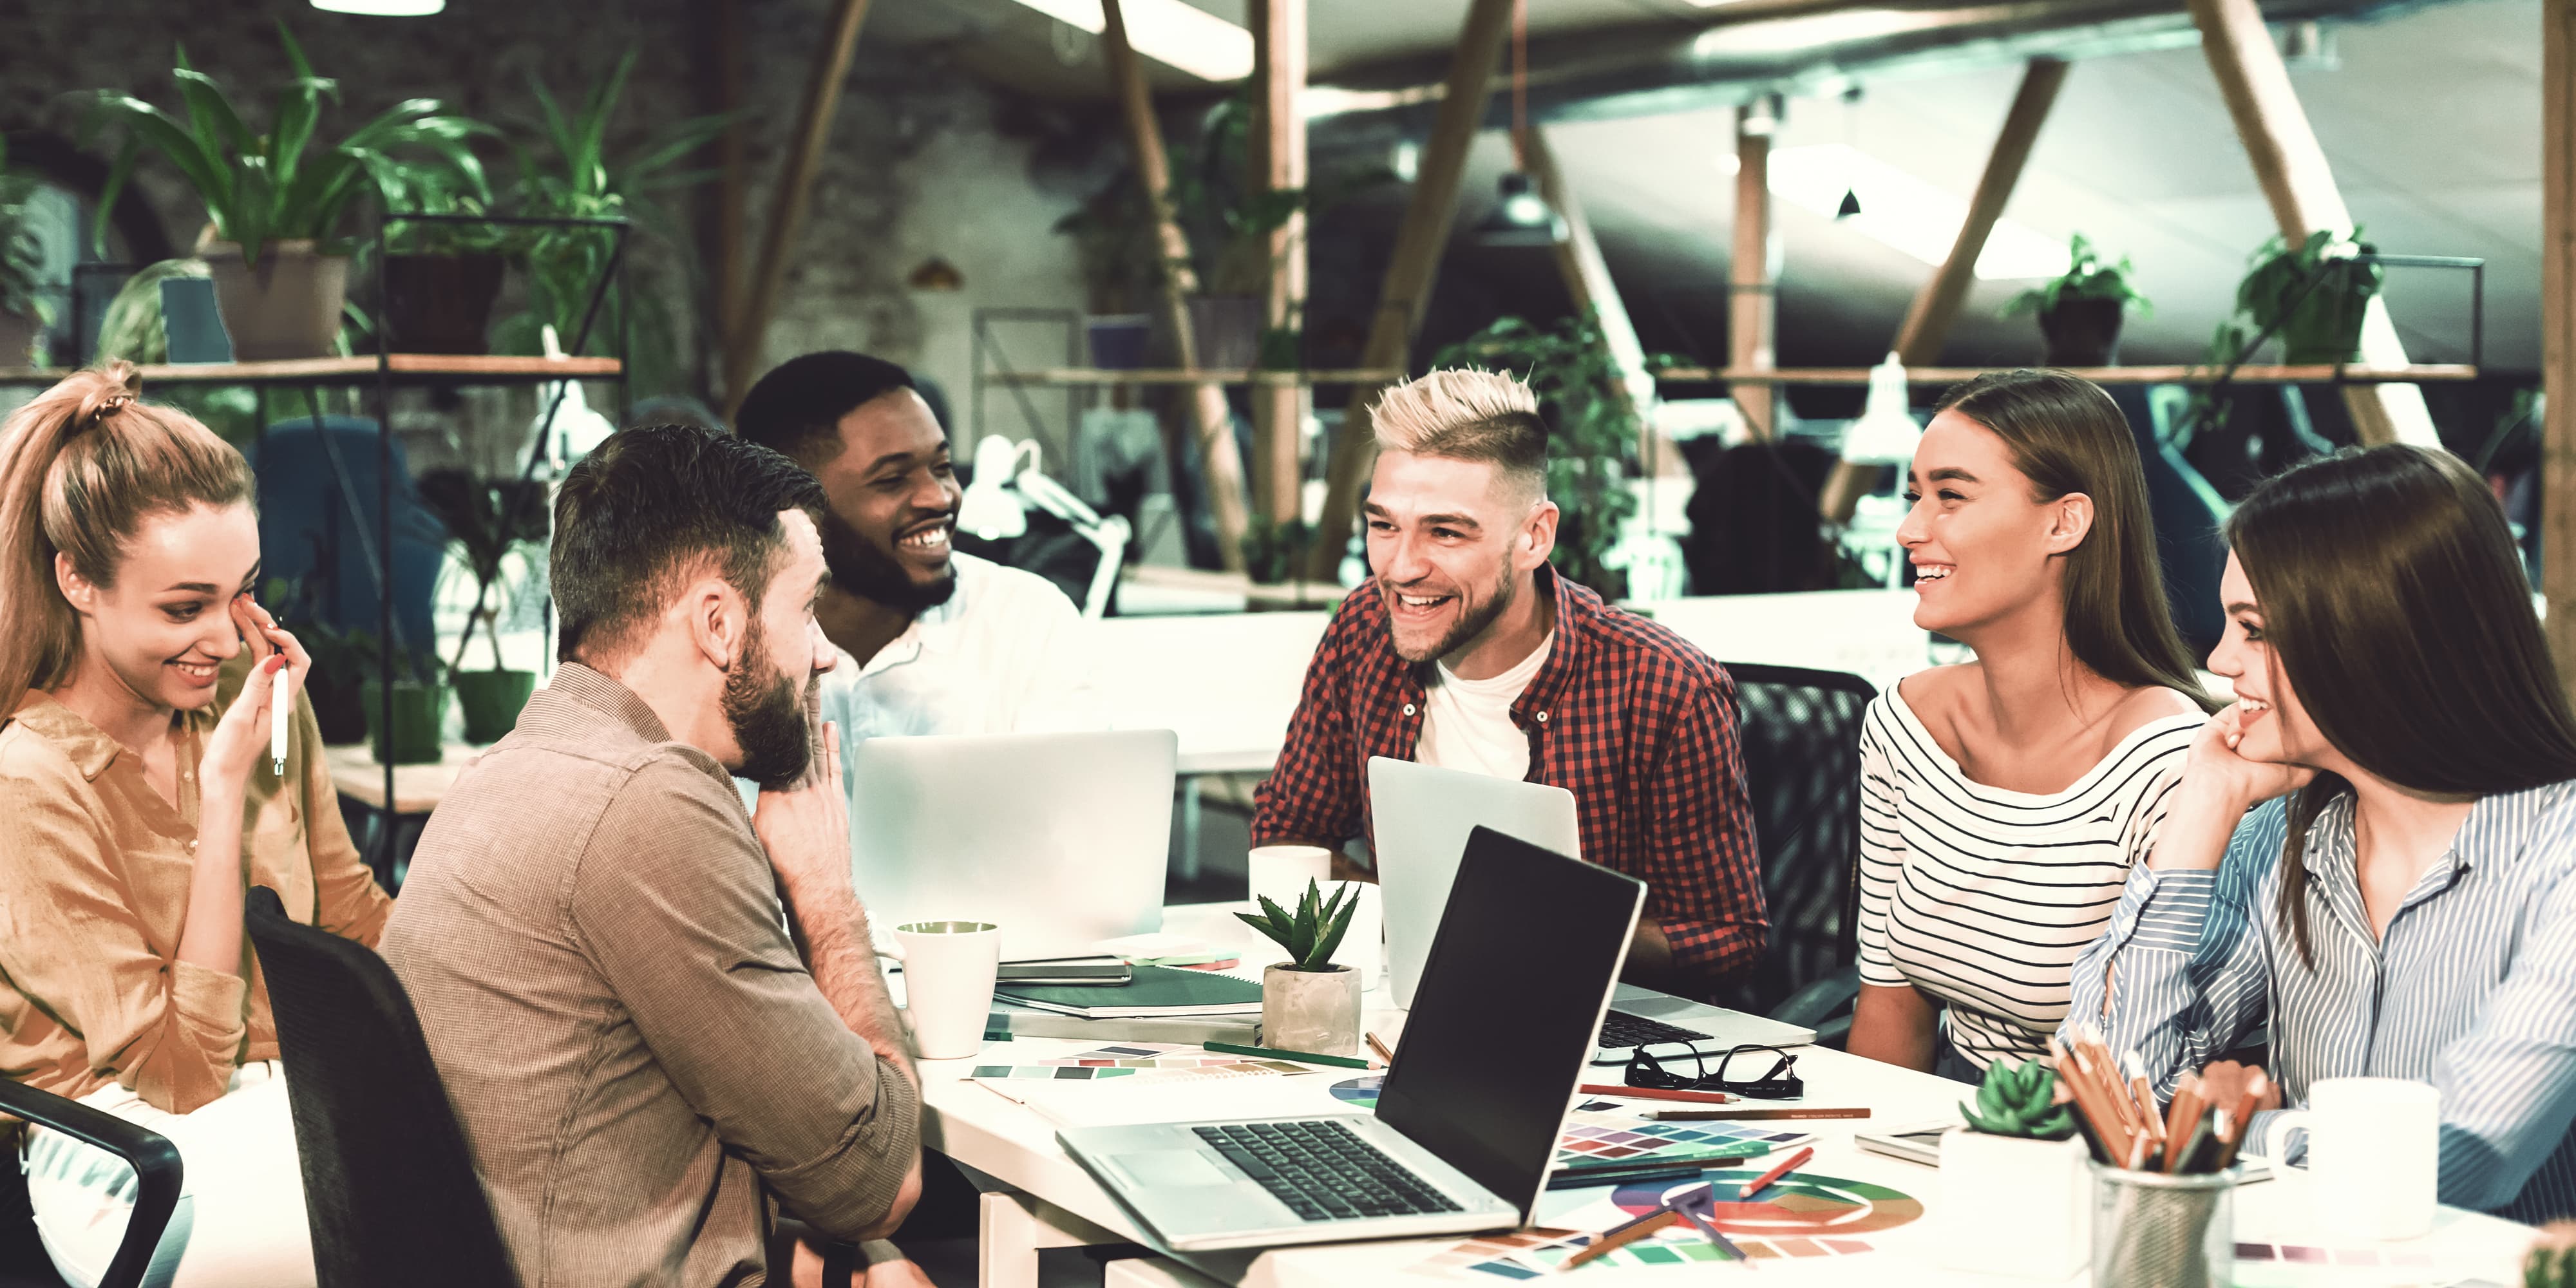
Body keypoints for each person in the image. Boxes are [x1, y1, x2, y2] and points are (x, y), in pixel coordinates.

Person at [382, 424, 926, 1286]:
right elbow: (879, 1178)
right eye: (808, 608)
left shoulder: (519, 764)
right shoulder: (648, 803)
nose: (829, 652)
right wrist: (826, 896)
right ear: (719, 622)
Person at [2072, 444, 2576, 1224]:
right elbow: (2106, 1088)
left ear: (2374, 634)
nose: (2217, 660)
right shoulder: (2281, 834)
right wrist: (2200, 810)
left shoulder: (2561, 853)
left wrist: (2231, 1131)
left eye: (2255, 630)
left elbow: (2458, 1161)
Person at [0, 365, 391, 1288]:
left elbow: (348, 910)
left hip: (298, 1098)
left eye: (242, 592)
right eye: (184, 607)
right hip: (123, 1150)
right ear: (78, 583)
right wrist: (222, 806)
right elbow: (177, 1074)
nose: (224, 637)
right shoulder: (29, 783)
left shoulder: (263, 711)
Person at [1251, 368, 1766, 994]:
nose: (1401, 567)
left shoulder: (1662, 684)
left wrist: (1548, 922)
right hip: (1412, 1000)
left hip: (1599, 1036)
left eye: (1444, 531)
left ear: (1533, 536)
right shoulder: (1364, 627)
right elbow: (1288, 830)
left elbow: (1729, 938)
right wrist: (1423, 913)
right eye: (1384, 525)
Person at [1846, 370, 2216, 1078]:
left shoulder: (2164, 758)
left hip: (2089, 1132)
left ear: (2064, 521)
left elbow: (2147, 1063)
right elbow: (1890, 1004)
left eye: (1950, 496)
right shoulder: (1900, 723)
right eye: (1914, 496)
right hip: (1940, 1113)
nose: (1909, 529)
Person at [732, 351, 1100, 744]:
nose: (940, 497)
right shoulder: (727, 644)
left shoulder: (1027, 620)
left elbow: (1076, 801)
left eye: (943, 468)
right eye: (893, 479)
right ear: (791, 507)